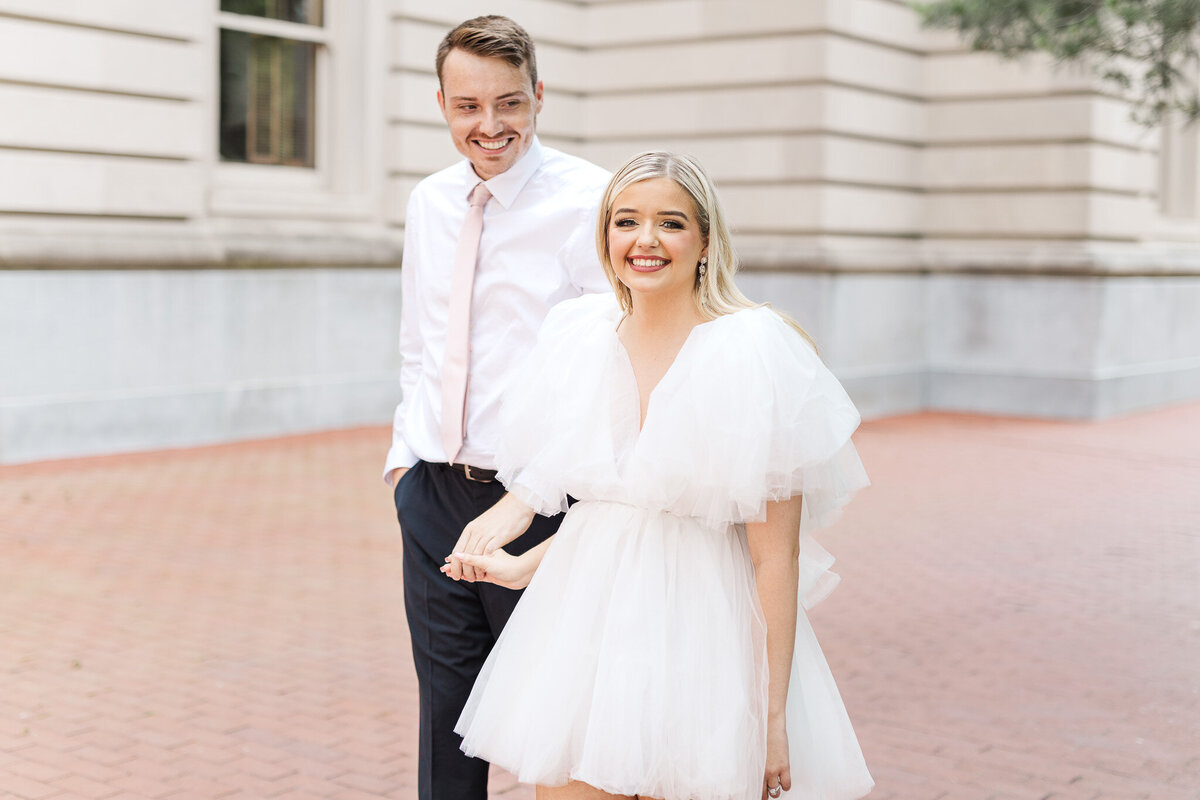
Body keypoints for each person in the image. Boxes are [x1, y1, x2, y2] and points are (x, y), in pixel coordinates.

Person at [442, 152, 875, 800]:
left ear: (704, 239)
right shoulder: (581, 337)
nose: (644, 240)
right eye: (626, 222)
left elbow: (773, 561)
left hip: (702, 637)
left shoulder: (754, 350)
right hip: (585, 633)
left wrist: (772, 718)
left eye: (669, 223)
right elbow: (622, 510)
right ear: (606, 238)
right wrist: (525, 566)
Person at [382, 15, 611, 800]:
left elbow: (608, 371)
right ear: (442, 104)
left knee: (557, 721)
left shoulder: (591, 201)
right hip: (434, 491)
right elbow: (419, 342)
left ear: (539, 96)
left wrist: (539, 496)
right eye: (468, 106)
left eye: (509, 103)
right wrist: (405, 465)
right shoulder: (429, 202)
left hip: (539, 501)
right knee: (447, 714)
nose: (490, 126)